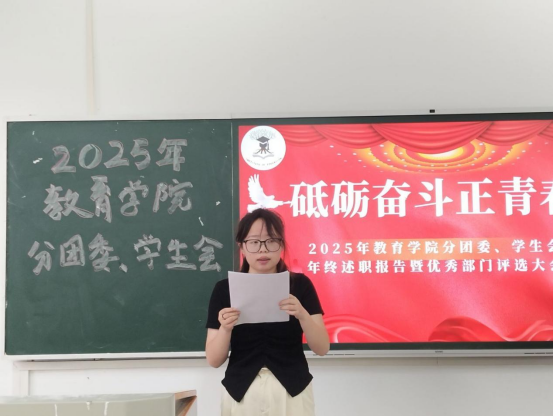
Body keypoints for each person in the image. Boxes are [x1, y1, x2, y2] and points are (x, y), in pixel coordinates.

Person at [206, 209, 330, 416]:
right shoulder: (224, 289)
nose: (263, 249)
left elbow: (322, 348)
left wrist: (302, 315)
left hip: (293, 389)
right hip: (240, 391)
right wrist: (225, 329)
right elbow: (214, 360)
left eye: (271, 241)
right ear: (242, 246)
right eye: (254, 242)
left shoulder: (300, 285)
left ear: (281, 244)